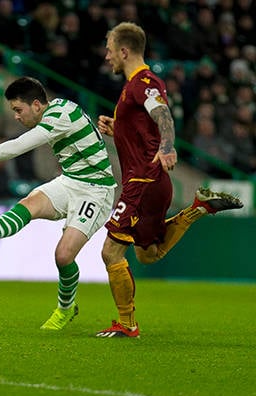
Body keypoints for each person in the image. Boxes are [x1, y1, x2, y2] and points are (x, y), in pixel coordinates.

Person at [96, 22, 243, 338]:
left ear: (124, 50)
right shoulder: (131, 87)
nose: (106, 56)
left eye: (109, 50)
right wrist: (118, 127)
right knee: (147, 254)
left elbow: (162, 115)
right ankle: (198, 209)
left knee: (110, 252)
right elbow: (143, 125)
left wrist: (167, 146)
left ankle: (127, 324)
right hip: (149, 183)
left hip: (143, 182)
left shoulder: (143, 82)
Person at [0, 76, 117, 330]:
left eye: (18, 110)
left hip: (96, 191)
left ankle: (66, 308)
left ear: (37, 105)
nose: (16, 116)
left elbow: (17, 147)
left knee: (63, 255)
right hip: (71, 181)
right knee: (30, 203)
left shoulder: (58, 117)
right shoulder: (60, 108)